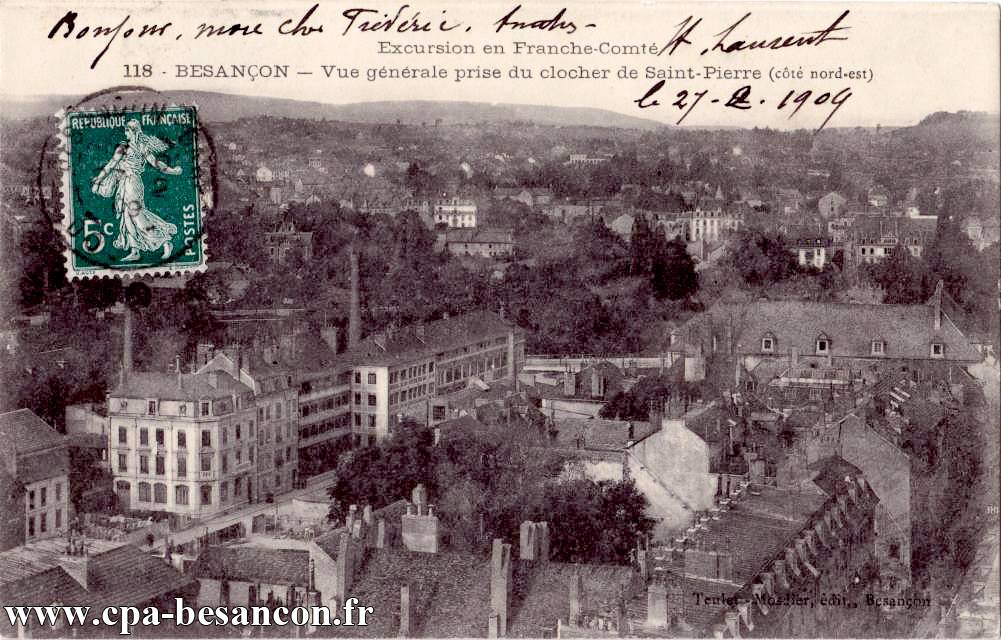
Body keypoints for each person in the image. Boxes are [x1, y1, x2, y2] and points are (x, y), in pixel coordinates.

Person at [91, 119, 182, 262]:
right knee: (126, 216)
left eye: (127, 130)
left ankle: (164, 241)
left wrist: (172, 171)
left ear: (134, 131)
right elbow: (111, 165)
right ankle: (135, 250)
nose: (125, 132)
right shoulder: (126, 146)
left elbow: (156, 163)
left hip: (133, 183)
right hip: (125, 182)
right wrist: (98, 181)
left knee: (137, 215)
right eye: (125, 130)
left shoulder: (138, 146)